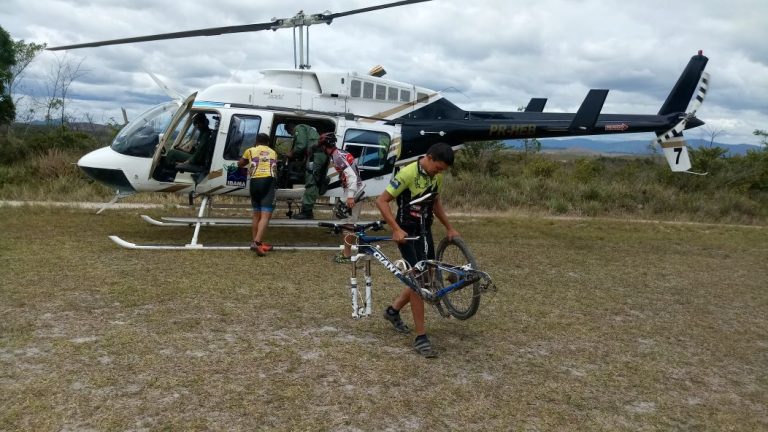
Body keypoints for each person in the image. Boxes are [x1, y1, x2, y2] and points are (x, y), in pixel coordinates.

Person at [375, 143, 459, 358]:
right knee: (418, 280)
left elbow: (435, 203)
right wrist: (395, 229)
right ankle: (421, 337)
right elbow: (382, 201)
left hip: (424, 231)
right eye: (437, 168)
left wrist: (449, 227)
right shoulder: (408, 173)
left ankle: (393, 311)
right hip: (407, 234)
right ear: (428, 158)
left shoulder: (436, 176)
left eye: (442, 171)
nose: (439, 173)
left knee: (426, 276)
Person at [317, 132, 365, 263]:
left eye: (321, 146)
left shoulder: (337, 156)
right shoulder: (339, 154)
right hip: (353, 189)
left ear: (324, 146)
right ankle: (346, 252)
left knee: (348, 224)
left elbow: (352, 176)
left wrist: (350, 196)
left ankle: (347, 255)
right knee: (346, 222)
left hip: (354, 191)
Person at [238, 133, 277, 256]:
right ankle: (258, 243)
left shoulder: (250, 150)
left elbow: (240, 164)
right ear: (268, 143)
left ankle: (254, 242)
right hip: (268, 182)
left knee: (256, 215)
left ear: (256, 141)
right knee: (265, 216)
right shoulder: (273, 152)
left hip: (254, 182)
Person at [285, 121, 325, 220]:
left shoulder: (298, 127)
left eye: (290, 133)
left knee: (311, 182)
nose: (292, 135)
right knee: (311, 180)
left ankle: (307, 212)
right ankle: (307, 210)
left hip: (315, 155)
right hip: (315, 155)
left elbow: (301, 145)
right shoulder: (308, 130)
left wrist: (291, 153)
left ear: (290, 128)